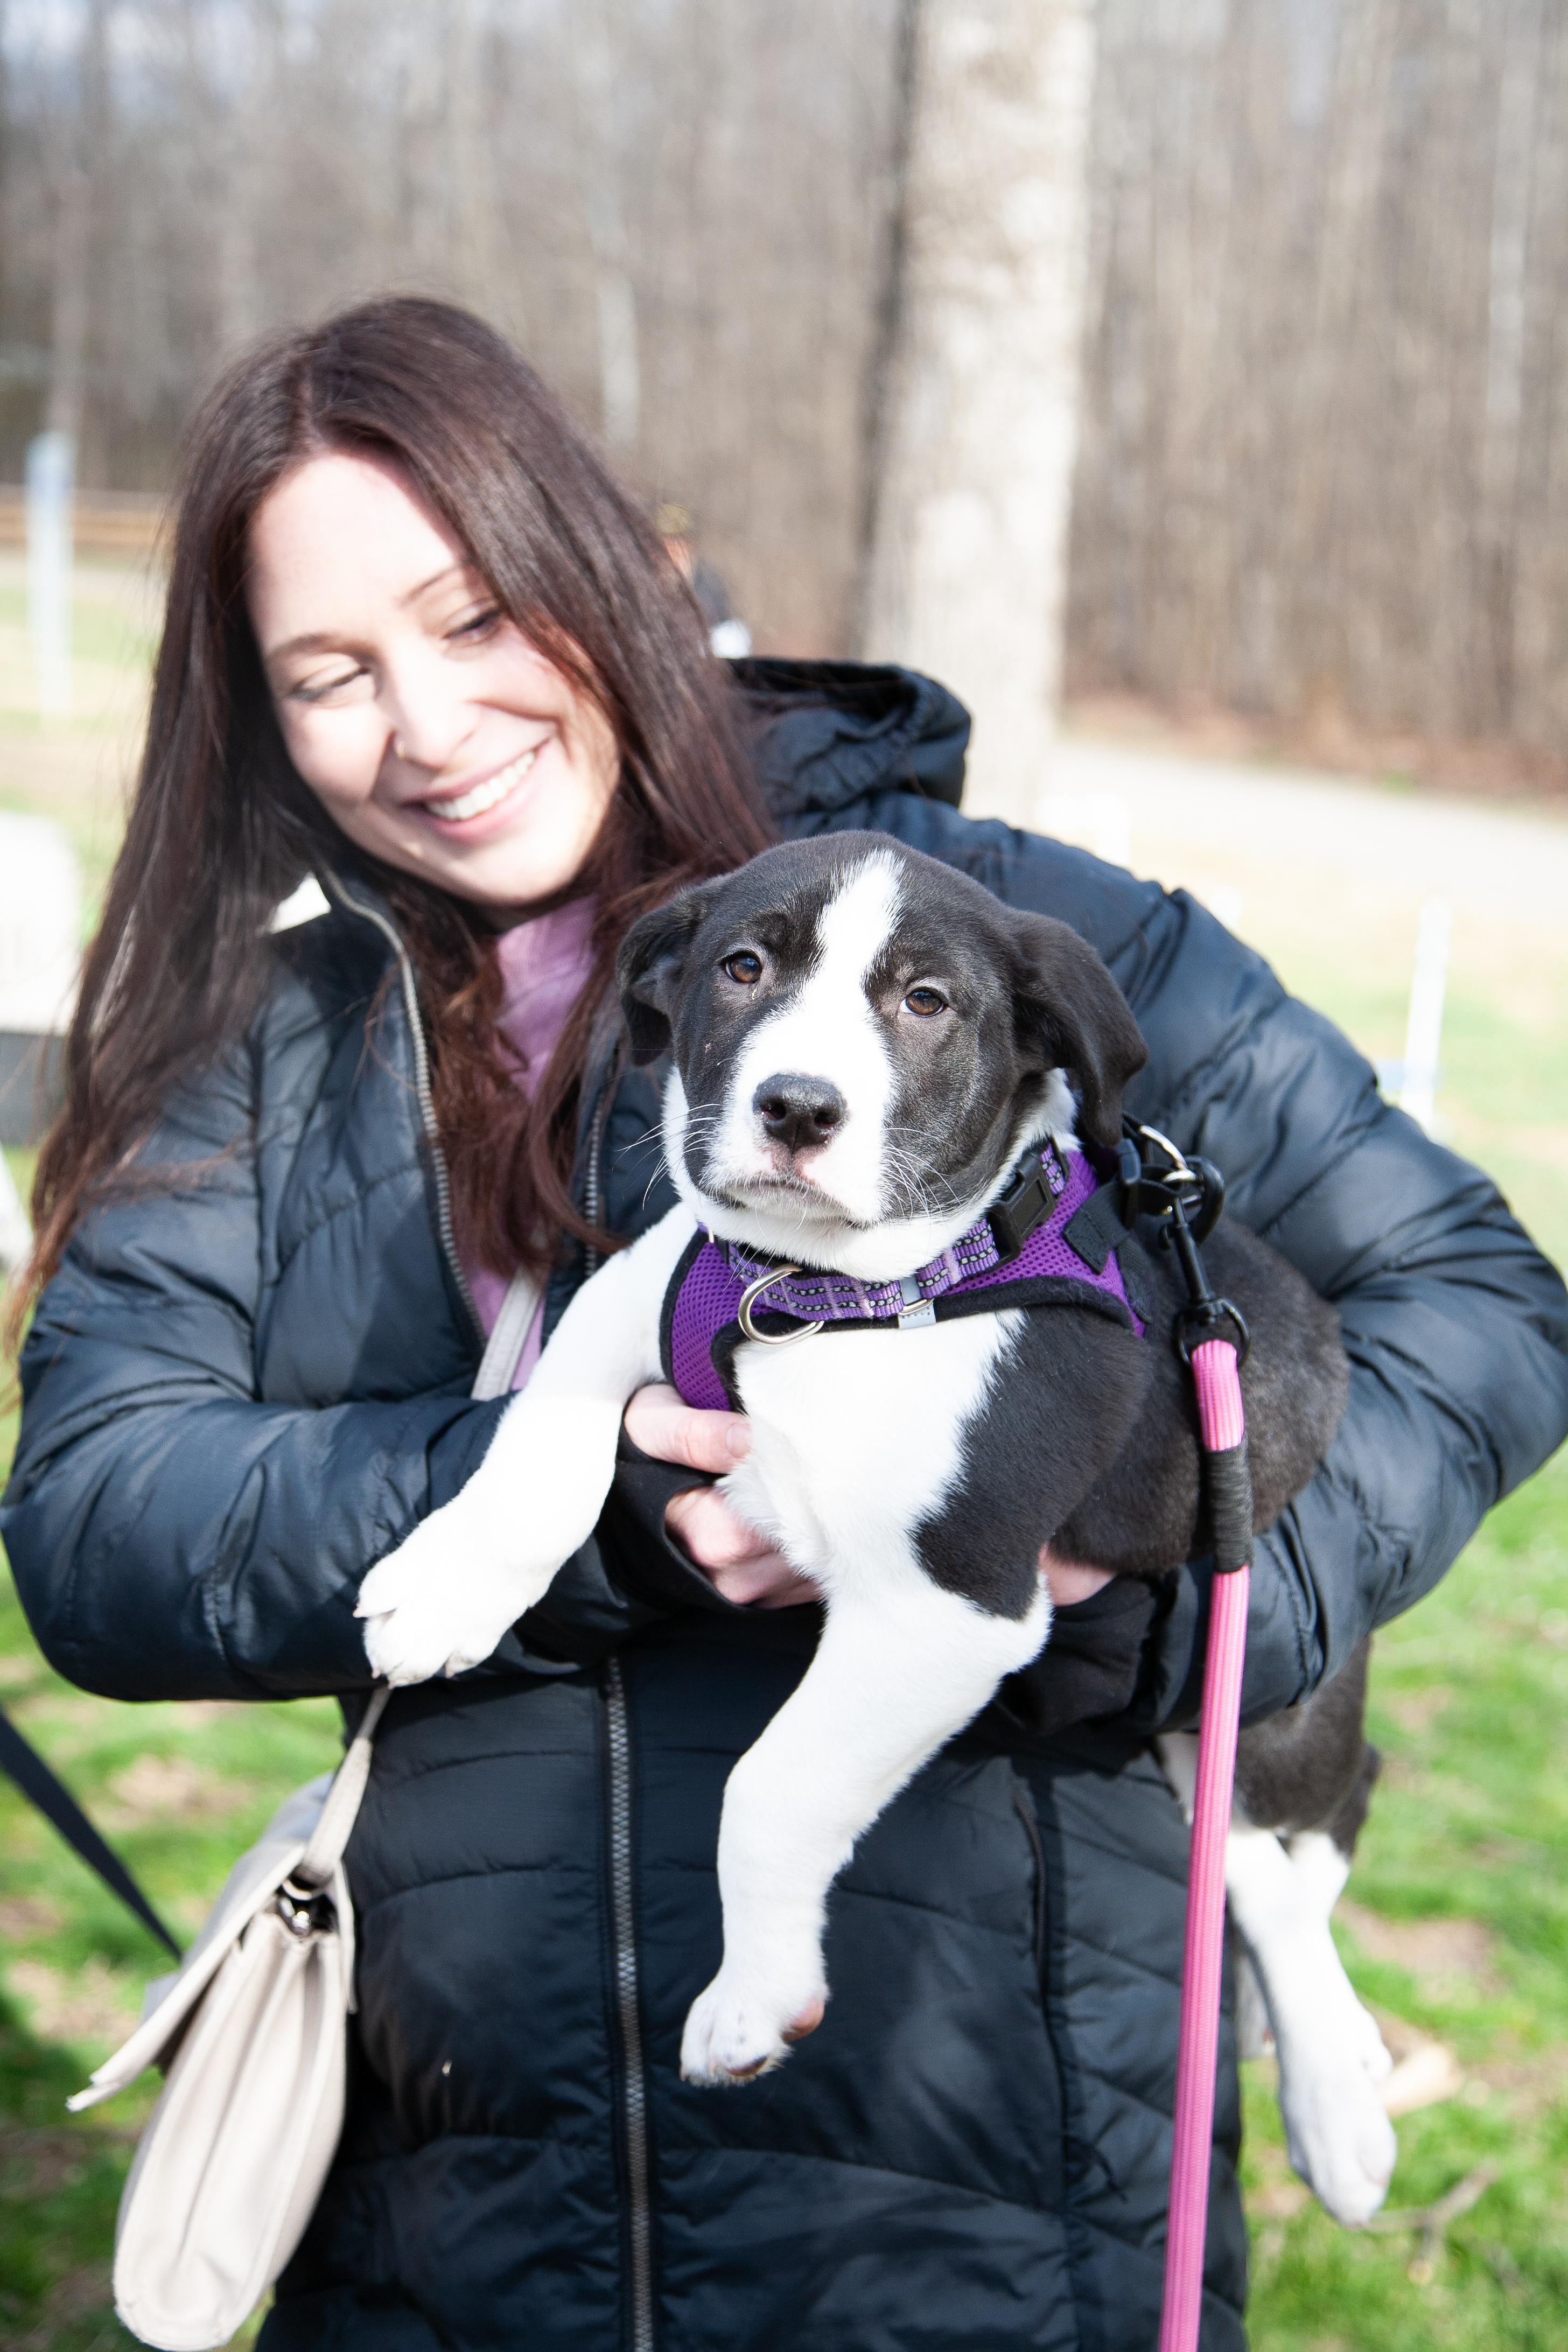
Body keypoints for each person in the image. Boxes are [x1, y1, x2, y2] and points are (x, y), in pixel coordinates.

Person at [3, 297, 1564, 2352]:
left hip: (982, 2184)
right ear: (258, 716)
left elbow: (1481, 1305)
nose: (428, 723)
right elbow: (101, 1524)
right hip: (467, 2201)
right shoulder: (267, 1052)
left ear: (604, 570)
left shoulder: (1016, 933)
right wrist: (591, 1511)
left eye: (473, 618)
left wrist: (1182, 1602)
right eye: (331, 674)